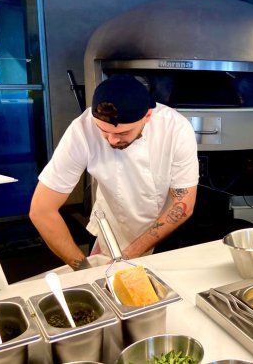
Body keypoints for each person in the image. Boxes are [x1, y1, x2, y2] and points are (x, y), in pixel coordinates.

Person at [29, 74, 199, 270]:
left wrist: (130, 255)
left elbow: (183, 204)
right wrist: (85, 271)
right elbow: (41, 210)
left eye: (122, 133)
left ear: (147, 116)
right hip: (115, 231)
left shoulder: (175, 128)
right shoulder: (82, 130)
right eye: (103, 131)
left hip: (167, 231)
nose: (111, 140)